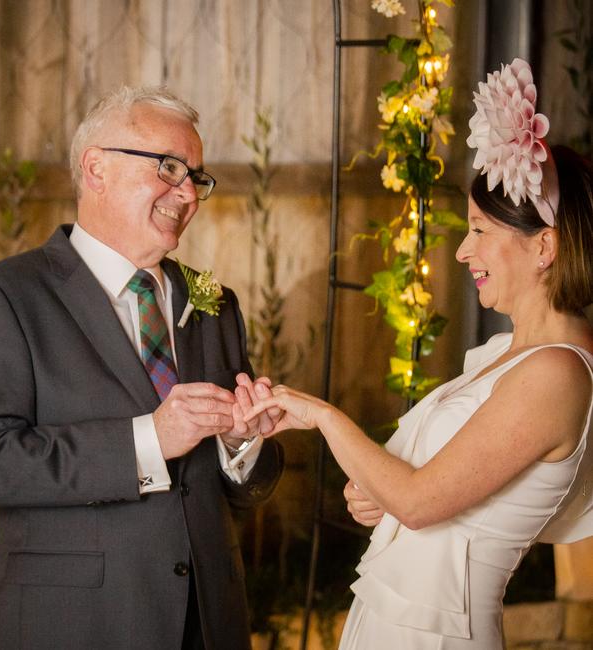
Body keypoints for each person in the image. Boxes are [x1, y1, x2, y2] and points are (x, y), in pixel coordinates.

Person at [246, 58, 593, 649]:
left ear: (544, 248)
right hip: (394, 623)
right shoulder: (503, 354)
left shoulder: (558, 372)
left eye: (480, 230)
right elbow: (418, 489)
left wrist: (324, 418)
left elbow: (420, 502)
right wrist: (375, 488)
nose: (462, 251)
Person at [0, 86, 284, 650]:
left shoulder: (214, 303)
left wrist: (241, 446)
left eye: (196, 177)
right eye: (169, 168)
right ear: (96, 169)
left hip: (209, 624)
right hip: (75, 625)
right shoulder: (3, 297)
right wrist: (149, 440)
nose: (188, 193)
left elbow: (247, 485)